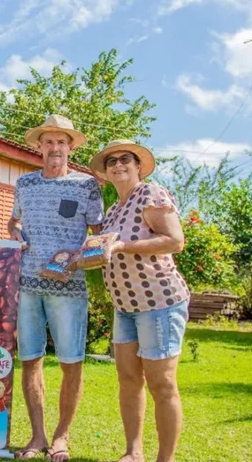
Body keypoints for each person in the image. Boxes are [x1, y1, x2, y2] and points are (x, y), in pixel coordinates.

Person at [8, 115, 104, 461]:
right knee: (30, 361)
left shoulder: (86, 186)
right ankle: (36, 437)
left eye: (61, 142)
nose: (55, 148)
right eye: (48, 142)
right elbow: (14, 221)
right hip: (28, 287)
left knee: (71, 362)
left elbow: (99, 233)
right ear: (38, 147)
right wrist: (14, 232)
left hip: (70, 288)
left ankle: (61, 437)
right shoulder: (25, 184)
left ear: (71, 147)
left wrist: (77, 259)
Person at [88, 140, 189, 462]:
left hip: (158, 301)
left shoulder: (151, 194)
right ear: (105, 172)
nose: (118, 164)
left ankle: (165, 459)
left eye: (125, 159)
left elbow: (175, 241)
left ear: (137, 166)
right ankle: (133, 453)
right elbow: (106, 250)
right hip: (125, 307)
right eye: (111, 161)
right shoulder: (115, 209)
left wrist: (123, 247)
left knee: (161, 384)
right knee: (129, 380)